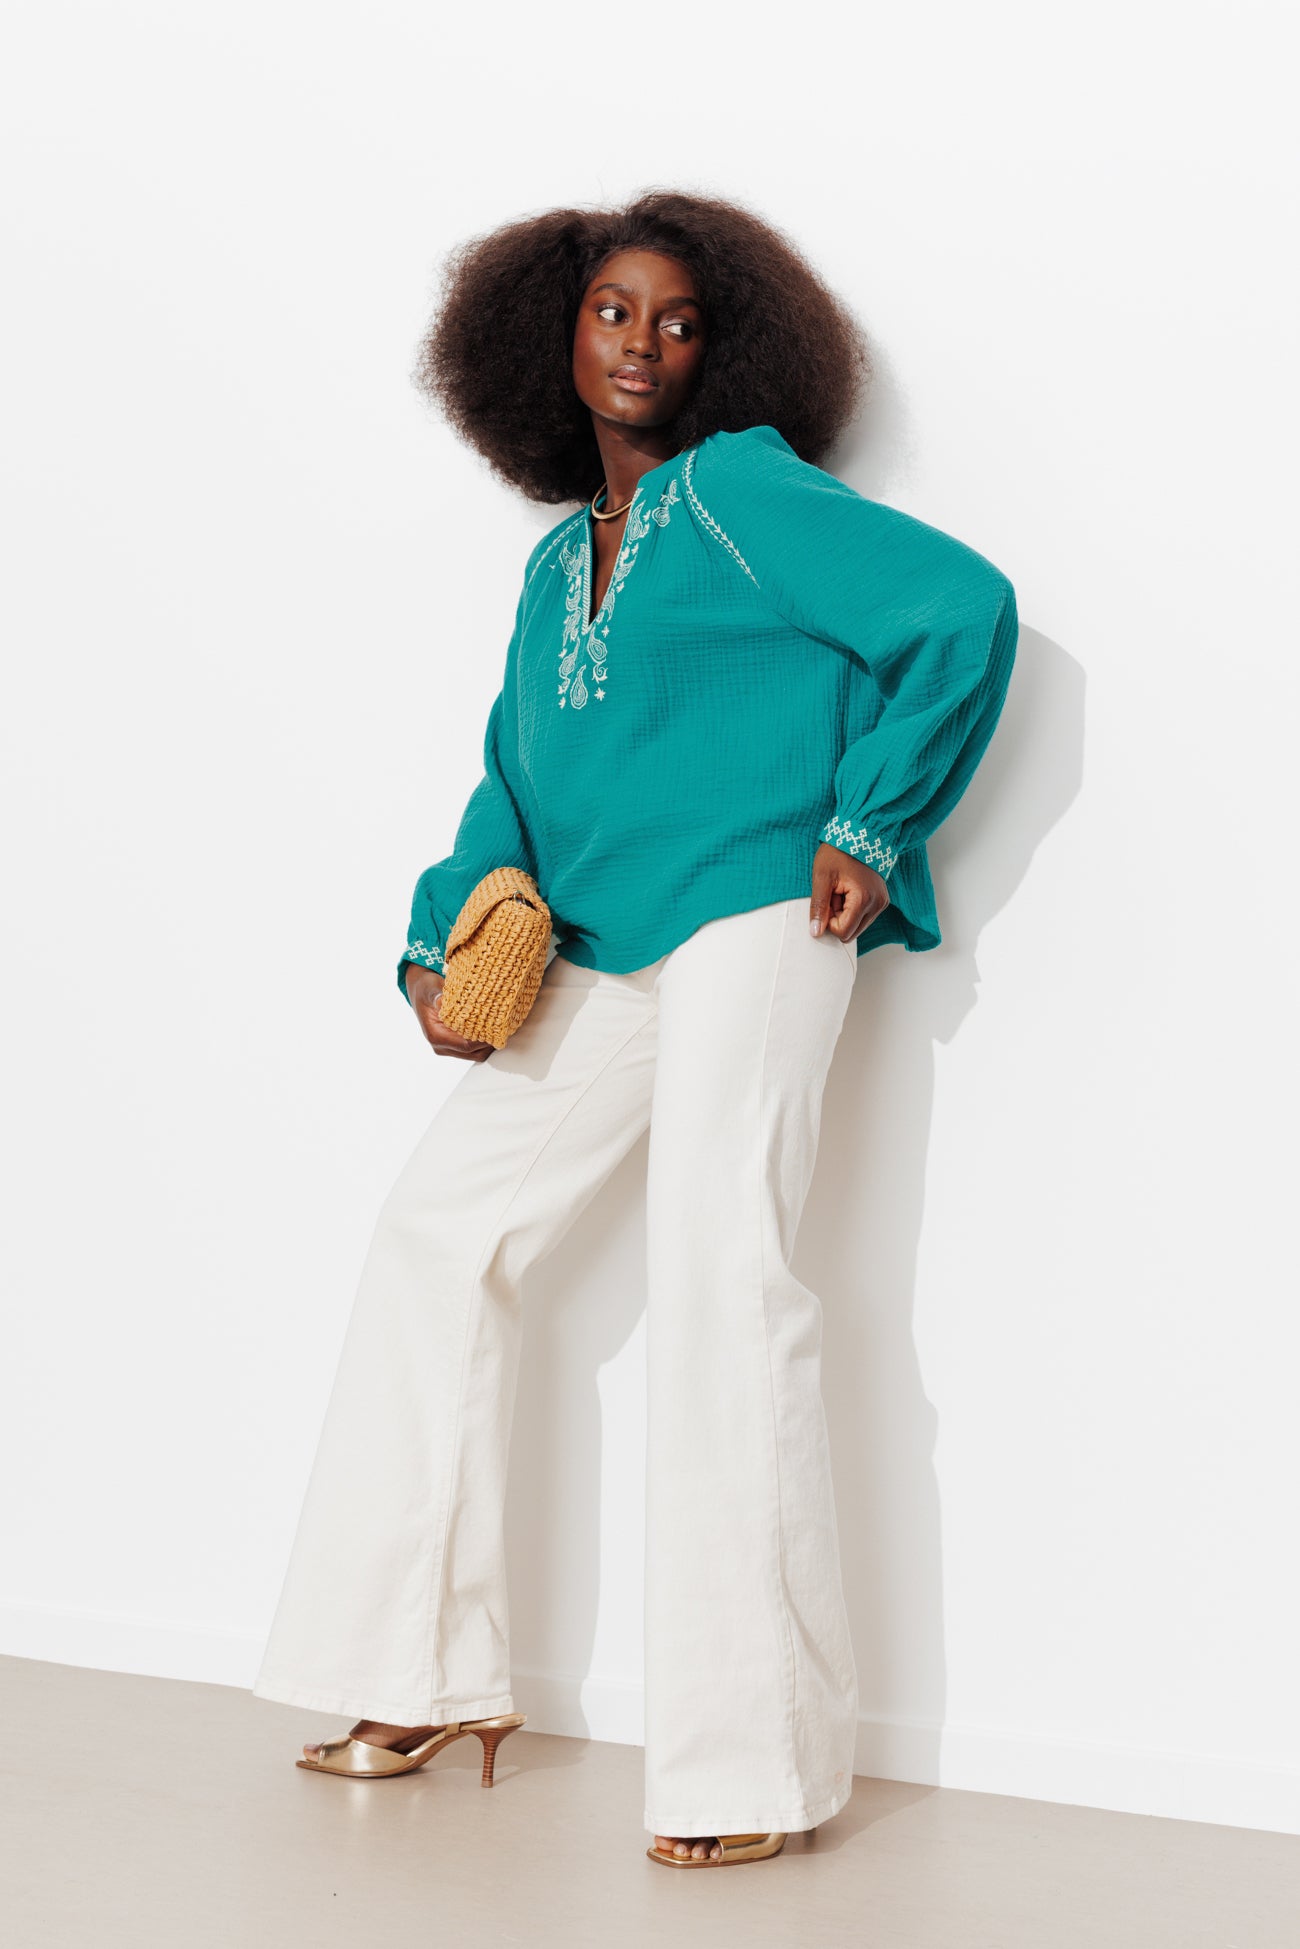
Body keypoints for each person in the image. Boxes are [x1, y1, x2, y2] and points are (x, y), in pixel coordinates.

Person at [251, 188, 1019, 1869]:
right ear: (556, 334)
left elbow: (961, 607)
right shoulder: (550, 568)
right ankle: (421, 1671)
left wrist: (873, 818)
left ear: (722, 349)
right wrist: (434, 950)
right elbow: (510, 785)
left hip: (756, 913)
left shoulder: (739, 492)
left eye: (678, 319)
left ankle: (750, 1767)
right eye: (613, 311)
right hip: (602, 950)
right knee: (438, 1234)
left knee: (721, 1273)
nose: (643, 343)